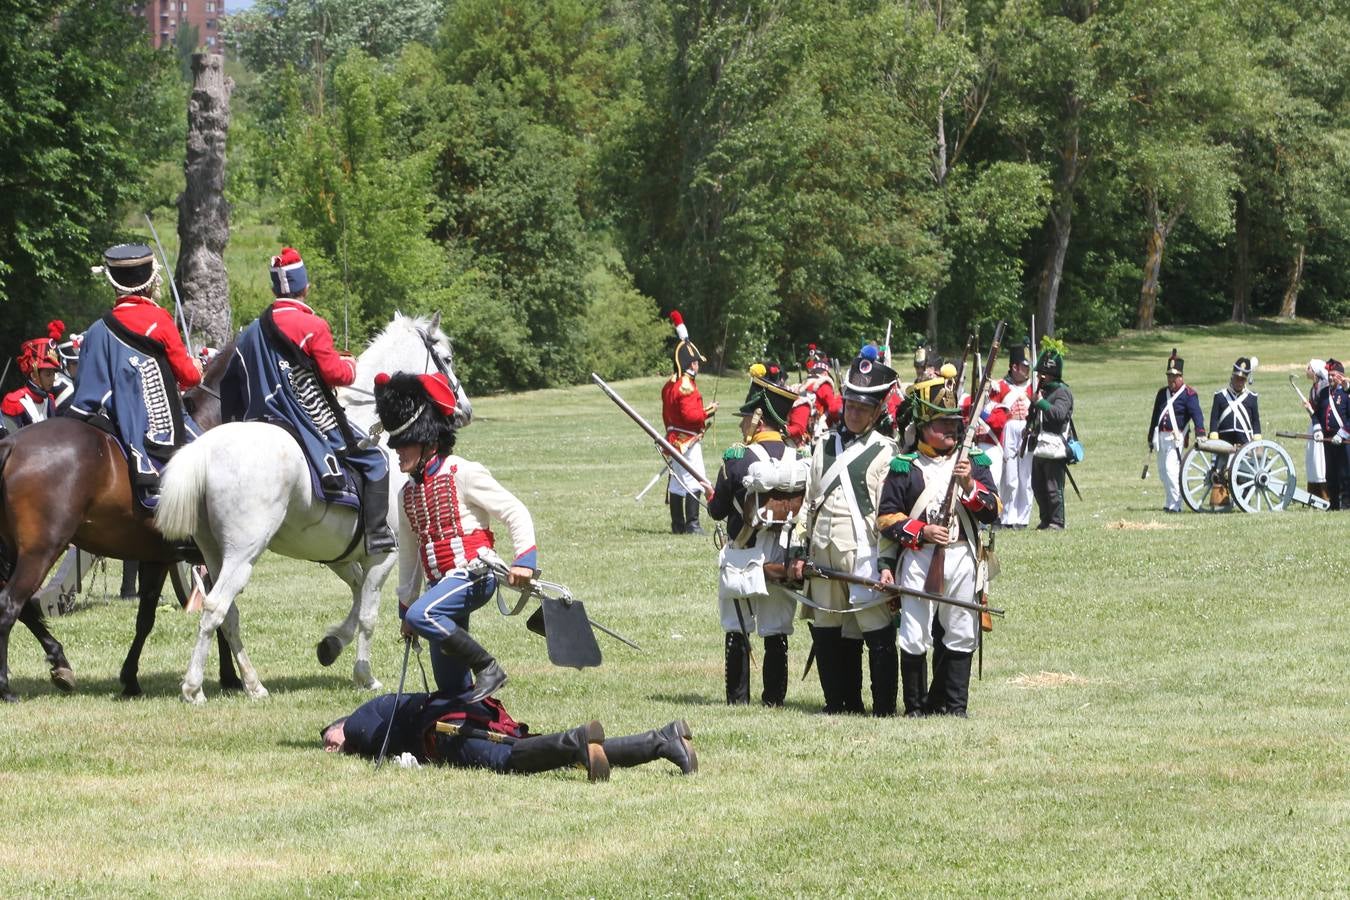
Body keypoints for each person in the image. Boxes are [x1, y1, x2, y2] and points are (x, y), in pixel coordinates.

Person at [374, 370, 537, 702]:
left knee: (425, 615)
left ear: (428, 439)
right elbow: (409, 555)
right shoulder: (405, 494)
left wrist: (525, 560)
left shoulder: (463, 472)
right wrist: (406, 610)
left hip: (476, 573)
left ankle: (489, 667)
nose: (398, 452)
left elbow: (514, 510)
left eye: (404, 444)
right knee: (451, 687)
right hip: (440, 590)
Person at [221, 247, 395, 555]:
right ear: (306, 287)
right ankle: (378, 534)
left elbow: (230, 384)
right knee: (375, 460)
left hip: (258, 418)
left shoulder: (249, 333)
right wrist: (350, 364)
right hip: (305, 418)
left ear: (275, 288)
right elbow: (337, 375)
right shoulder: (313, 326)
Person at [877, 374, 1000, 717]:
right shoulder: (906, 466)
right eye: (941, 422)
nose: (950, 428)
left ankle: (955, 707)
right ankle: (915, 708)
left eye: (952, 422)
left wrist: (969, 485)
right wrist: (922, 532)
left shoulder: (974, 462)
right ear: (923, 425)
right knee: (914, 634)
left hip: (962, 555)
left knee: (961, 631)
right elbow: (886, 518)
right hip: (920, 557)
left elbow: (993, 511)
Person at [789, 346, 899, 716]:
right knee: (827, 627)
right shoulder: (823, 446)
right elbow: (808, 502)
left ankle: (883, 707)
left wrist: (886, 559)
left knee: (875, 630)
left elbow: (887, 512)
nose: (854, 413)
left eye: (863, 408)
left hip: (863, 550)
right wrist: (799, 551)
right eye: (850, 405)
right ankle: (839, 703)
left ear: (877, 411)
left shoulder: (886, 452)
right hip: (822, 550)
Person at [65, 243, 203, 503]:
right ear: (150, 282)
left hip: (111, 420)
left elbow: (87, 386)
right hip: (159, 422)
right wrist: (196, 367)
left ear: (114, 284)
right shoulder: (159, 320)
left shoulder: (96, 330)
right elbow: (189, 377)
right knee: (211, 455)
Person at [320, 691, 696, 780]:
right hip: (466, 712)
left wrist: (352, 743)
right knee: (532, 748)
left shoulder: (357, 720)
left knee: (507, 759)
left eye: (328, 738)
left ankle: (575, 742)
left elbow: (370, 735)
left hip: (447, 730)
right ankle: (662, 741)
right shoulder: (385, 703)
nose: (331, 745)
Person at [707, 365, 805, 706]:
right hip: (781, 556)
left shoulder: (737, 458)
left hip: (742, 555)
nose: (741, 423)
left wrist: (712, 494)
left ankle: (738, 699)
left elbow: (717, 510)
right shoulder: (798, 456)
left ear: (759, 419)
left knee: (737, 628)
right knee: (776, 631)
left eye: (746, 416)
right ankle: (774, 700)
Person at [661, 310, 717, 535]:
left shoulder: (670, 384)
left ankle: (678, 525)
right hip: (687, 439)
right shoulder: (685, 387)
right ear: (689, 363)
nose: (697, 365)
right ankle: (692, 525)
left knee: (677, 482)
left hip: (675, 439)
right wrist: (708, 411)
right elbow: (691, 416)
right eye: (695, 362)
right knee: (696, 479)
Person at [1146, 350, 1204, 513]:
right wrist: (1151, 436)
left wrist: (1200, 433)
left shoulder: (1189, 394)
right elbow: (1155, 416)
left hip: (1176, 437)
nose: (1171, 379)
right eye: (1169, 376)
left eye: (1174, 376)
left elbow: (1197, 415)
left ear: (1181, 376)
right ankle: (1169, 502)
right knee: (1163, 472)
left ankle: (1176, 505)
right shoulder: (1161, 393)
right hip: (1161, 437)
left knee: (1172, 470)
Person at [1029, 345, 1074, 529]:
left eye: (1043, 373)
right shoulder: (1044, 392)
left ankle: (1056, 521)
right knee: (1038, 486)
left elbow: (1058, 415)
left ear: (1052, 374)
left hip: (1055, 444)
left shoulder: (1062, 392)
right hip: (1040, 443)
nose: (1040, 376)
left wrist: (1040, 402)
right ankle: (1045, 519)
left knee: (1053, 487)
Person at [990, 343, 1034, 528]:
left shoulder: (1034, 388)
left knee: (1027, 477)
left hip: (1027, 432)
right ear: (1014, 367)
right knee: (1009, 478)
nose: (1026, 370)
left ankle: (1023, 518)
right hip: (1007, 433)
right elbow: (991, 413)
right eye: (1024, 366)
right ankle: (1008, 517)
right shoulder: (999, 387)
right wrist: (1008, 415)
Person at [1, 324, 62, 432]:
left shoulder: (50, 401)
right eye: (48, 374)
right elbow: (8, 443)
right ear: (34, 375)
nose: (52, 379)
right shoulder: (14, 402)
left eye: (53, 374)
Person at [1313, 359, 1350, 509]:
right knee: (1331, 473)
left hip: (1345, 439)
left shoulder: (1347, 394)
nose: (1330, 378)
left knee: (1346, 473)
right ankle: (1334, 504)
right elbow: (1315, 413)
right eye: (1329, 375)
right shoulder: (1323, 393)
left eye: (1333, 375)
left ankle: (1347, 503)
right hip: (1328, 439)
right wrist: (1317, 429)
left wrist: (1342, 434)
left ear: (1340, 376)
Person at [1302, 359, 1330, 503]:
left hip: (1321, 428)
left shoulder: (1324, 387)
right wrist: (1309, 409)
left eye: (1309, 367)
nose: (1306, 369)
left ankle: (1325, 494)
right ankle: (1314, 493)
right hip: (1314, 426)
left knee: (1320, 461)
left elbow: (1323, 411)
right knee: (1311, 460)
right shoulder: (1313, 388)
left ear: (1314, 371)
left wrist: (1311, 410)